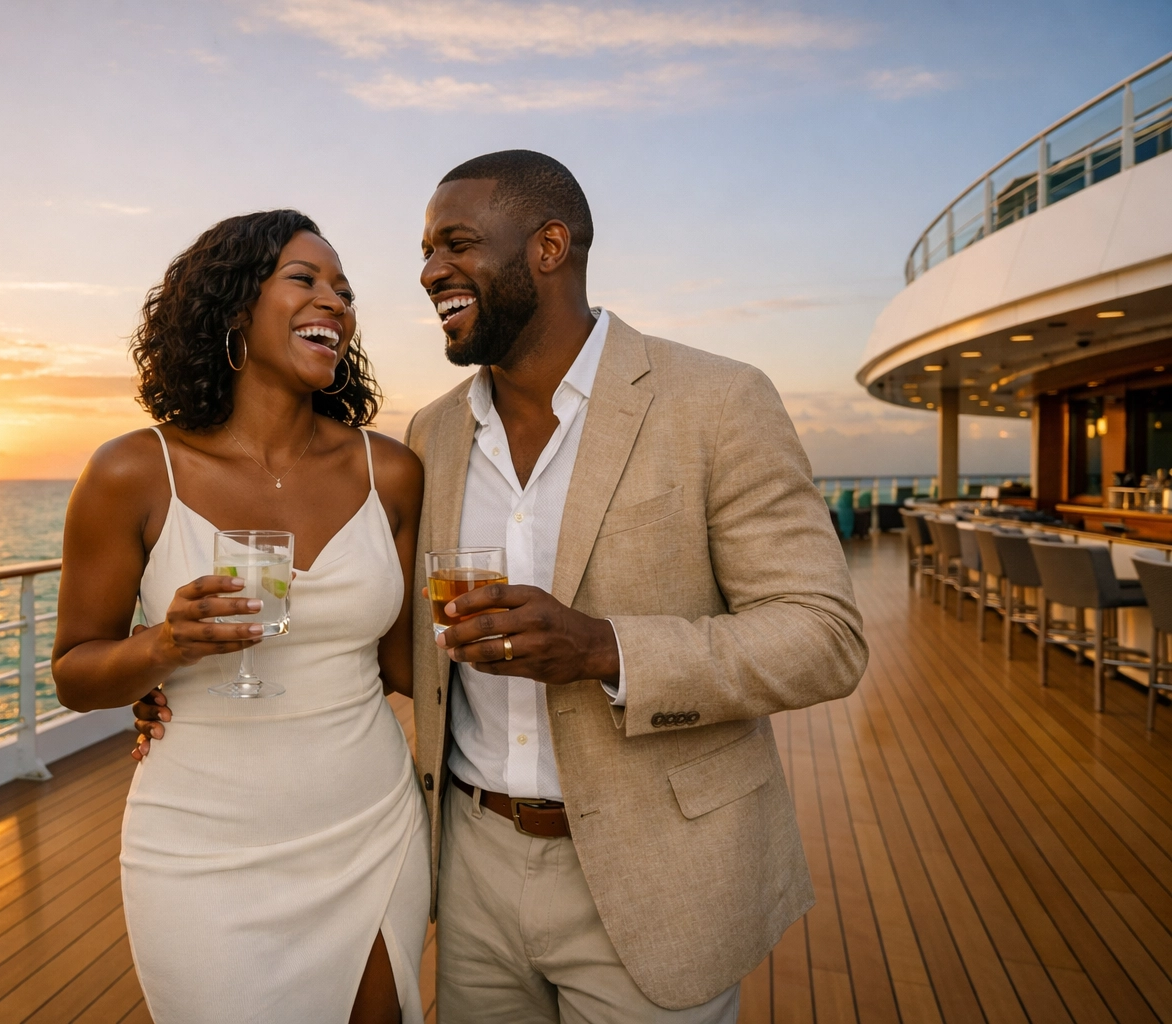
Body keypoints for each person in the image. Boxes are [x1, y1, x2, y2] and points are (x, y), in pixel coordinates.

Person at [406, 151, 867, 1023]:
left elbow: (824, 636)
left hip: (657, 876)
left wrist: (604, 648)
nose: (431, 272)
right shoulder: (431, 433)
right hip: (468, 868)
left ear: (550, 246)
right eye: (425, 251)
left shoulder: (718, 400)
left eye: (456, 244)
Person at [53, 209, 430, 1024]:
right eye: (305, 279)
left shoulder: (391, 471)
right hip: (200, 847)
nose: (334, 300)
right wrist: (163, 647)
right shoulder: (132, 471)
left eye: (344, 290)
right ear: (232, 307)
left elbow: (405, 669)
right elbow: (75, 673)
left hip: (370, 827)